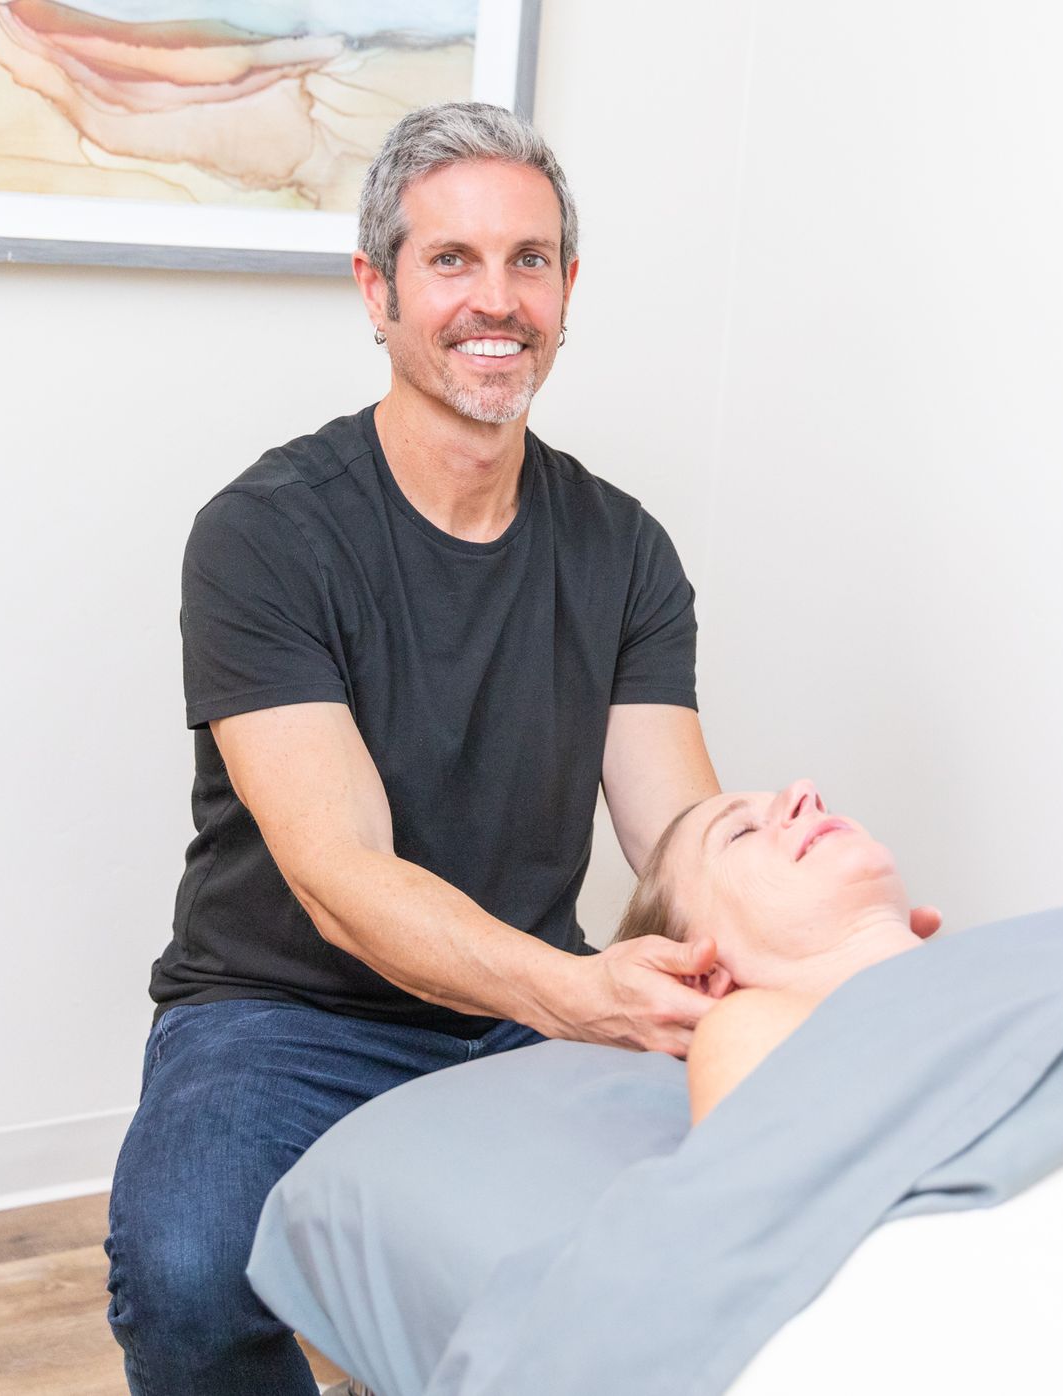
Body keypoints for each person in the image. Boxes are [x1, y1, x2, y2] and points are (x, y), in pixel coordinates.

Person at [103, 102, 733, 1396]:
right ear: (376, 291)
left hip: (518, 1005)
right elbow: (342, 877)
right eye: (451, 260)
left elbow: (678, 836)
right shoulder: (266, 538)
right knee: (184, 1279)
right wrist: (569, 997)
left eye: (530, 259)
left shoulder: (624, 552)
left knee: (671, 1250)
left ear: (566, 289)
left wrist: (807, 929)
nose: (495, 300)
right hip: (283, 1011)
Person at [612, 777, 939, 1123]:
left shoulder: (989, 968)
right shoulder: (738, 1031)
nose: (806, 792)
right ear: (703, 978)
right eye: (742, 833)